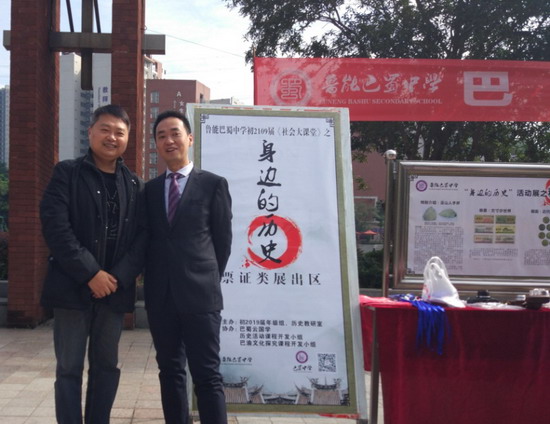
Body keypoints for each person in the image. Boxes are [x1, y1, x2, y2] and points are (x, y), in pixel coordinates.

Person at [40, 104, 144, 424]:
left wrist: (115, 278)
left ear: (127, 138)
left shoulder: (135, 185)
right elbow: (56, 227)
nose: (112, 137)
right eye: (105, 129)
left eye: (119, 132)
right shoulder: (67, 173)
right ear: (90, 132)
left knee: (106, 367)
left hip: (113, 293)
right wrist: (91, 273)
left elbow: (142, 240)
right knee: (68, 368)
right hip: (71, 288)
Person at [143, 110, 232, 424]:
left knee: (207, 375)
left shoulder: (213, 184)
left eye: (175, 133)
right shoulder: (150, 191)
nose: (169, 140)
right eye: (161, 136)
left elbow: (222, 243)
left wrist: (205, 279)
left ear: (190, 139)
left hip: (201, 296)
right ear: (156, 144)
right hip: (161, 297)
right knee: (169, 371)